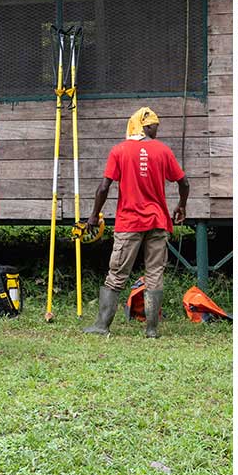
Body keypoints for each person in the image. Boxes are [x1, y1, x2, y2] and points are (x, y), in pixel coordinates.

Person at [84, 107, 189, 338]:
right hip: (158, 221)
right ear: (144, 126)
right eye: (154, 127)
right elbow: (184, 183)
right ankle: (151, 330)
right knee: (154, 274)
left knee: (117, 272)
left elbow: (104, 187)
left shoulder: (119, 150)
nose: (156, 132)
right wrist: (181, 205)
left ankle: (102, 326)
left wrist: (93, 215)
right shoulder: (163, 151)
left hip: (129, 222)